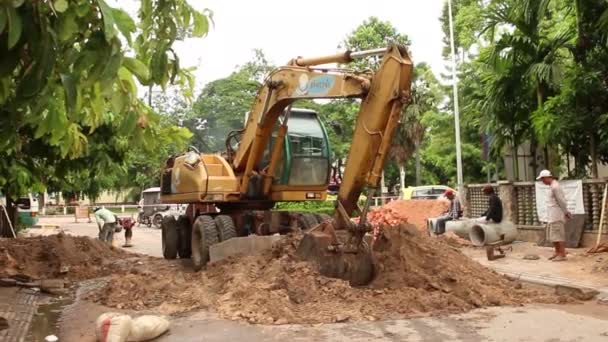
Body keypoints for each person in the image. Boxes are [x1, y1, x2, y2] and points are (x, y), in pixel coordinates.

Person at [537, 170, 572, 262]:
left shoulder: (556, 187)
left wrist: (566, 212)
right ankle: (557, 252)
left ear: (547, 177)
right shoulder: (552, 186)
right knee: (554, 236)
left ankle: (562, 254)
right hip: (552, 215)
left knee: (558, 235)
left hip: (556, 215)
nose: (542, 181)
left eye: (543, 179)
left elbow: (562, 201)